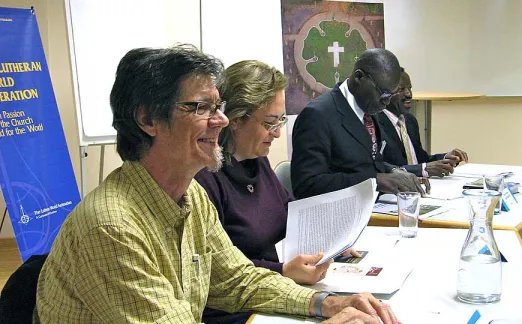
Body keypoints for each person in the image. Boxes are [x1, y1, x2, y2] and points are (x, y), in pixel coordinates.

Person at [35, 45, 399, 324]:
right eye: (201, 108)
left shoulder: (189, 194)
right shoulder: (111, 227)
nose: (222, 120)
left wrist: (326, 303)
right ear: (147, 119)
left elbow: (237, 281)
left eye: (219, 106)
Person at [195, 60, 360, 323]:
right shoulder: (204, 179)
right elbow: (222, 273)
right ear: (235, 120)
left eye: (281, 120)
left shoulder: (256, 160)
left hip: (277, 293)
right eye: (270, 122)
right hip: (240, 309)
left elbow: (290, 212)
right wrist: (282, 270)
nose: (278, 133)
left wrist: (332, 240)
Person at [291, 48, 427, 199]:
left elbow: (370, 163)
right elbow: (306, 185)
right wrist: (376, 181)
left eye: (391, 95)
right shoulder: (317, 115)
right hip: (336, 214)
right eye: (383, 94)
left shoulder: (369, 109)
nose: (387, 102)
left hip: (371, 206)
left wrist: (396, 172)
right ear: (359, 77)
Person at [378, 68, 468, 177]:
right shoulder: (374, 124)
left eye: (410, 88)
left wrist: (446, 158)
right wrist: (422, 170)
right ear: (385, 92)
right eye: (401, 89)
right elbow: (380, 168)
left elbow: (421, 160)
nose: (409, 94)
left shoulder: (409, 121)